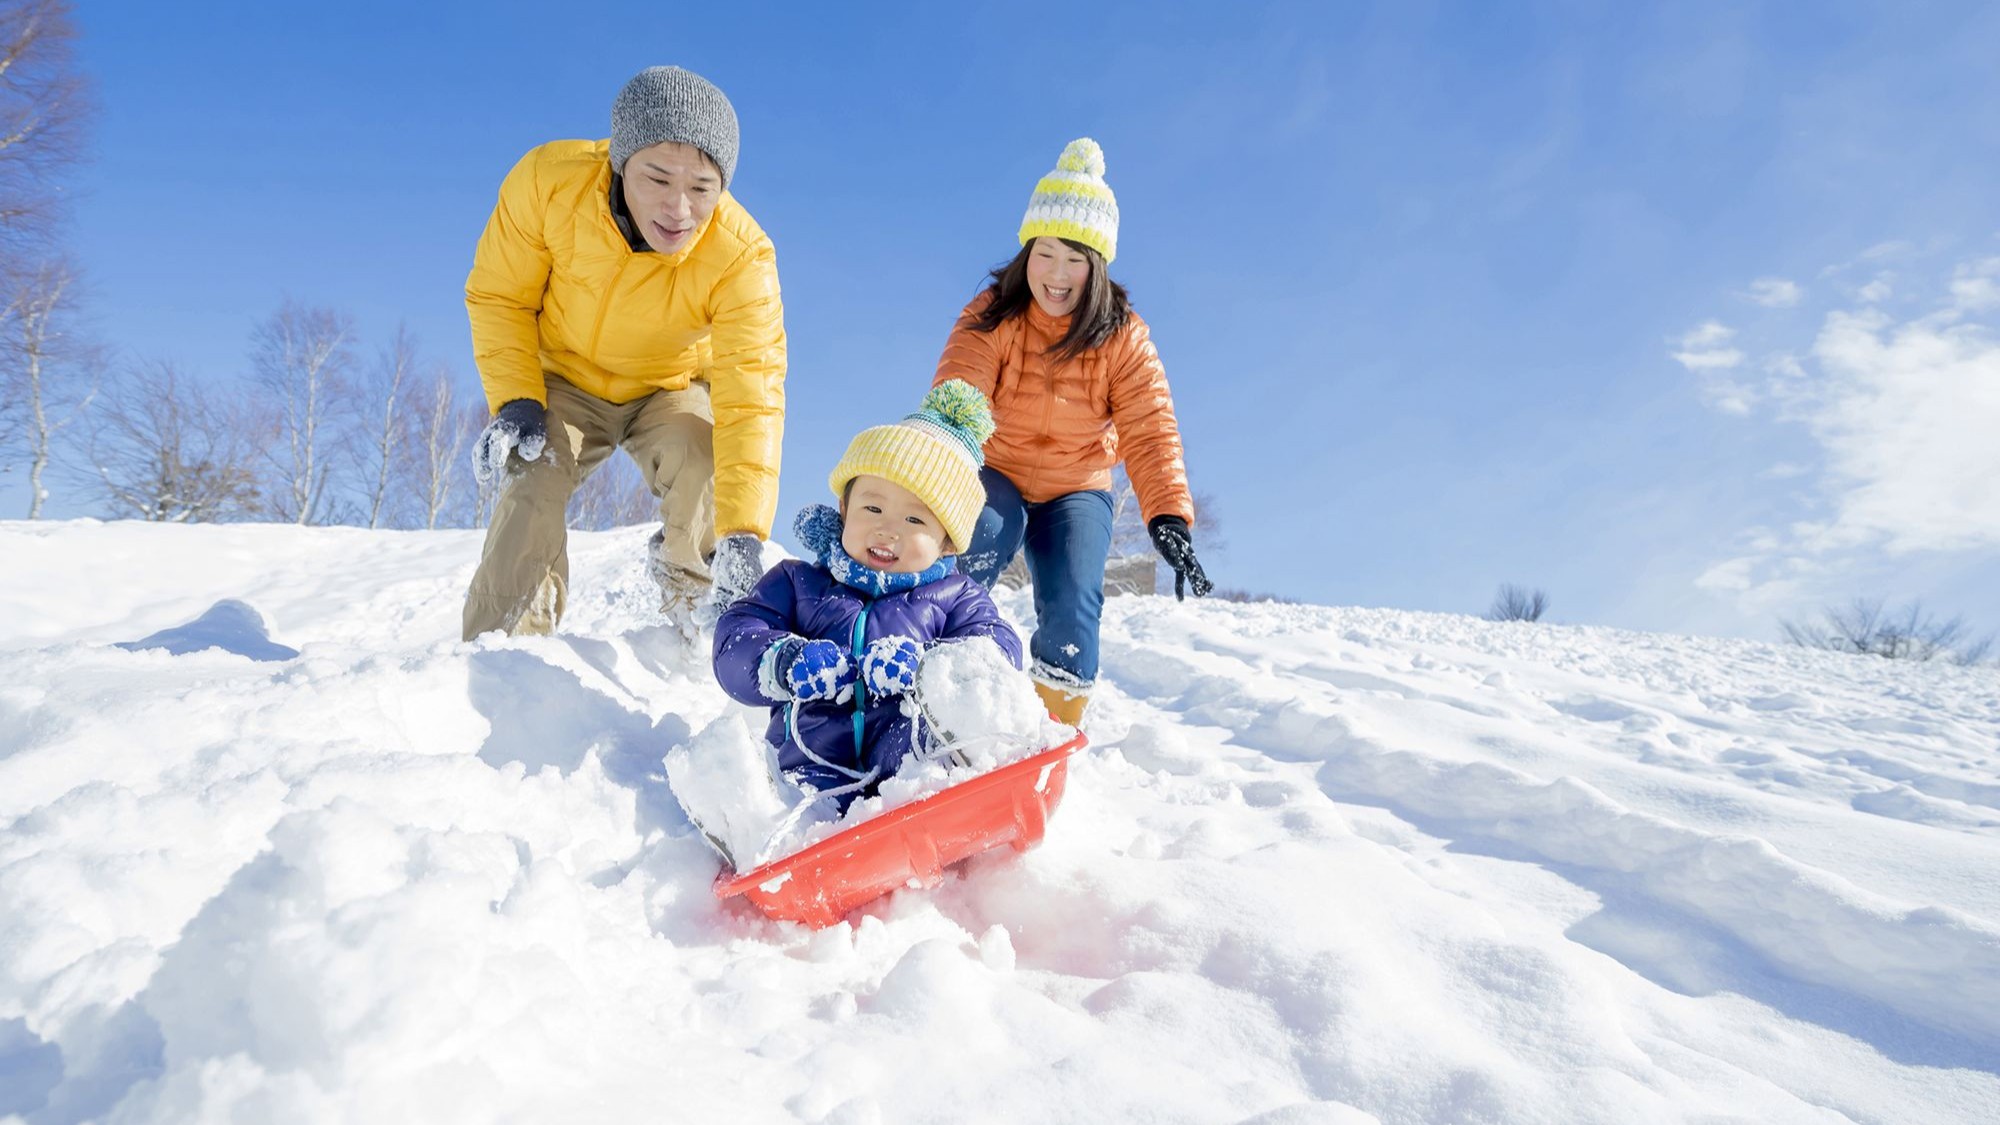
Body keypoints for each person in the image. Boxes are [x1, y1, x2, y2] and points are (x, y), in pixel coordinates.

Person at [460, 66, 785, 640]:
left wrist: (743, 531)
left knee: (703, 459)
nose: (678, 209)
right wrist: (516, 399)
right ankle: (503, 648)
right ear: (620, 160)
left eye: (701, 188)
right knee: (533, 475)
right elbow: (500, 296)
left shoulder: (743, 257)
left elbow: (751, 397)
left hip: (668, 387)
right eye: (657, 179)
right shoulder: (549, 185)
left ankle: (692, 619)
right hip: (563, 378)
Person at [933, 138, 1213, 726]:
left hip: (1075, 486)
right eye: (1047, 254)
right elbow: (959, 392)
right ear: (1027, 250)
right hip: (997, 468)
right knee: (975, 539)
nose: (1057, 276)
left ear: (1098, 265)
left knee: (1074, 601)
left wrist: (1167, 516)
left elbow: (1150, 426)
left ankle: (1052, 726)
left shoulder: (1123, 336)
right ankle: (939, 684)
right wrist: (934, 458)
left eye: (1077, 259)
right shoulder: (993, 314)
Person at [712, 382, 1022, 810]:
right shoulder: (798, 583)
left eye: (915, 519)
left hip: (907, 764)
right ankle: (756, 826)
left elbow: (997, 655)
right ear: (844, 510)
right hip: (809, 763)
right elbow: (735, 637)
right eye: (872, 508)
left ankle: (937, 803)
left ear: (947, 544)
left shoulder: (957, 597)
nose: (887, 529)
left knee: (934, 747)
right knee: (788, 798)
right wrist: (785, 661)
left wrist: (928, 666)